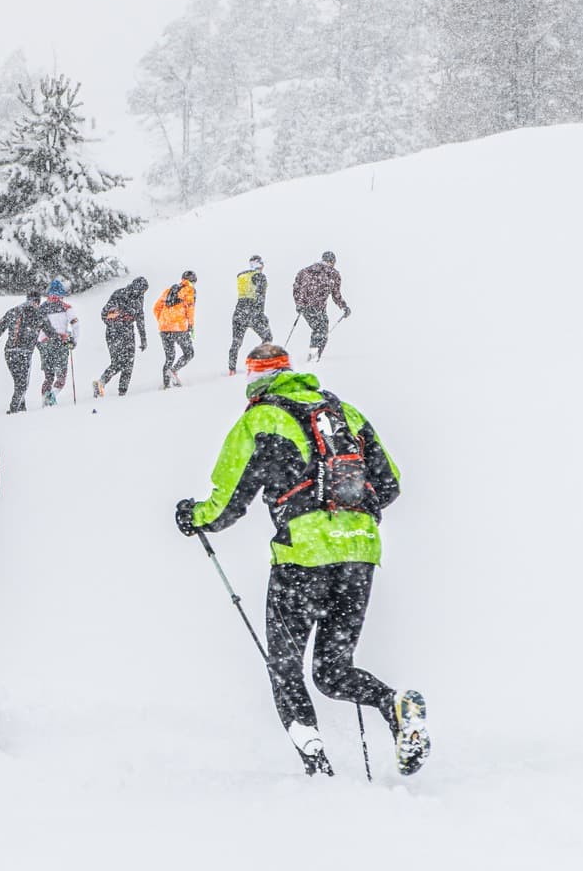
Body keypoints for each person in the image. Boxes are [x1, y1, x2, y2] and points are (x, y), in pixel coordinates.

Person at [174, 343, 427, 777]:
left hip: (302, 559)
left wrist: (191, 516)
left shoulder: (260, 419)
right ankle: (394, 704)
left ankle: (318, 769)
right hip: (360, 555)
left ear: (255, 378)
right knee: (332, 671)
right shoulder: (346, 413)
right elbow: (390, 484)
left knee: (286, 667)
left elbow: (226, 505)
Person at [0, 290, 50, 413]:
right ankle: (13, 410)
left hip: (10, 352)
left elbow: (0, 325)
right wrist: (64, 340)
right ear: (38, 301)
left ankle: (21, 408)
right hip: (24, 352)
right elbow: (50, 331)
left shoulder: (14, 311)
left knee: (19, 382)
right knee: (22, 384)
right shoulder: (39, 314)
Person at [93, 277, 149, 398]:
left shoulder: (132, 296)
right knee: (123, 363)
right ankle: (110, 387)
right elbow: (104, 314)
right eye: (143, 291)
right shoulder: (123, 295)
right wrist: (118, 318)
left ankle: (112, 388)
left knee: (123, 363)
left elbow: (140, 318)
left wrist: (143, 338)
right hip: (118, 333)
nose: (143, 293)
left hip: (121, 333)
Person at [292, 251, 351, 361]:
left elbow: (296, 288)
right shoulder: (333, 274)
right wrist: (344, 307)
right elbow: (336, 294)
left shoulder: (305, 271)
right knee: (321, 331)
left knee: (319, 330)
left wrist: (298, 304)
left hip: (305, 307)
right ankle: (314, 356)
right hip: (318, 307)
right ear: (332, 262)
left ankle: (313, 355)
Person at [228, 255, 274, 375]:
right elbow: (260, 298)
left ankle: (232, 369)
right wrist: (261, 315)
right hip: (253, 312)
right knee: (267, 338)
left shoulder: (242, 276)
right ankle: (258, 361)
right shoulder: (260, 277)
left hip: (239, 312)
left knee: (236, 342)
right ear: (260, 264)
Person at [36, 279, 79, 406]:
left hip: (46, 344)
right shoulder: (66, 308)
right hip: (61, 342)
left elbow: (36, 327)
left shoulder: (42, 308)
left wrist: (40, 342)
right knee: (61, 376)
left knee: (48, 377)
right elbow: (76, 324)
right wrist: (74, 340)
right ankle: (53, 395)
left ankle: (44, 401)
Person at [153, 271, 198, 388]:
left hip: (164, 328)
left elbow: (156, 307)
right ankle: (174, 370)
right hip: (179, 328)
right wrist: (191, 325)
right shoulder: (190, 290)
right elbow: (190, 309)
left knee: (169, 357)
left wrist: (163, 321)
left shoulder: (169, 290)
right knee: (189, 353)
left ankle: (166, 385)